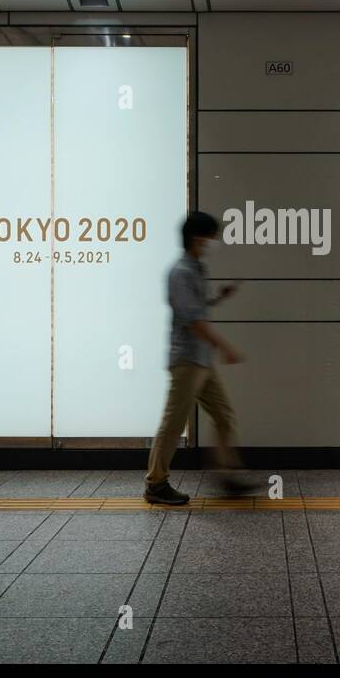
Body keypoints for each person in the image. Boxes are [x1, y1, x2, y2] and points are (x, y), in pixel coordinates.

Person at [144, 212, 252, 504]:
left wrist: (218, 297)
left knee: (223, 415)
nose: (212, 242)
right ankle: (155, 483)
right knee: (174, 422)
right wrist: (225, 347)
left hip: (201, 360)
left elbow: (197, 308)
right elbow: (193, 319)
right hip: (187, 360)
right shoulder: (180, 272)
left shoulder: (196, 269)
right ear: (196, 237)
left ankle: (227, 475)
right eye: (209, 236)